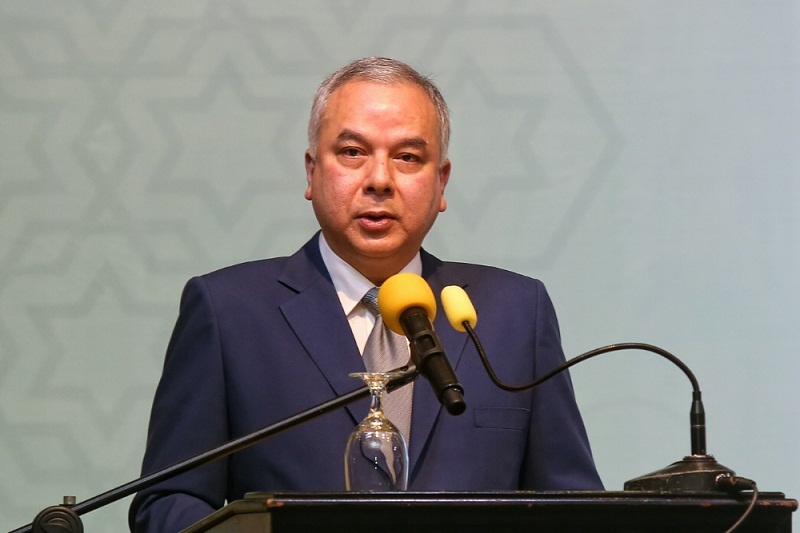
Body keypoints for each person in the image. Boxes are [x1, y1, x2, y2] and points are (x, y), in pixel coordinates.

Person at [129, 57, 603, 532]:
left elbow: (574, 503)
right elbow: (171, 501)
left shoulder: (514, 311)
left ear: (441, 182)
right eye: (353, 152)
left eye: (408, 158)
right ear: (312, 172)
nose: (379, 180)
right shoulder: (228, 311)